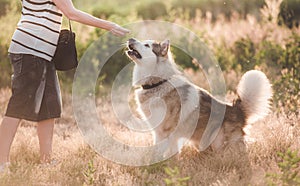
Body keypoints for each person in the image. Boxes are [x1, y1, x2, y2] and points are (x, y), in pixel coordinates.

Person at [0, 0, 130, 171]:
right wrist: (109, 25)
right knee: (18, 105)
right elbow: (72, 13)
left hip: (40, 52)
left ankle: (46, 161)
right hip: (32, 50)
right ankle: (2, 161)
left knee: (49, 107)